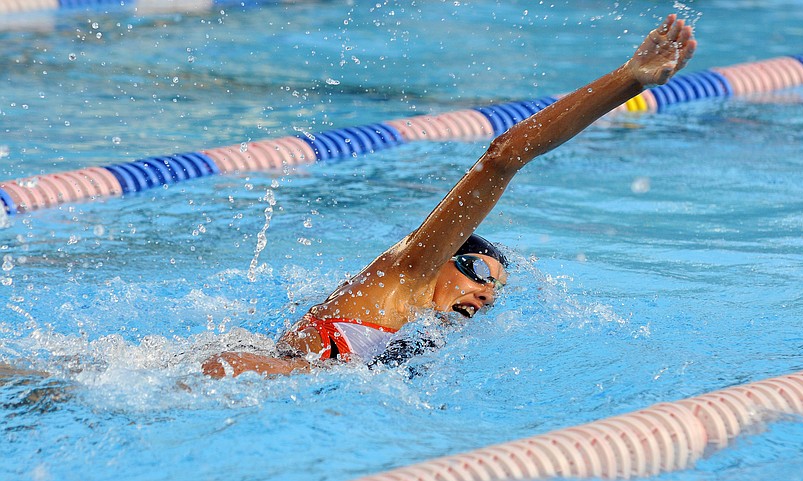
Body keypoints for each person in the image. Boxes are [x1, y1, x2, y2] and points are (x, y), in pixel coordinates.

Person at [202, 14, 697, 378]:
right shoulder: (407, 275)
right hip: (229, 377)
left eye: (495, 292)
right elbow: (504, 155)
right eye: (479, 273)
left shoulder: (415, 332)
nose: (484, 294)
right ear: (443, 255)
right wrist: (629, 80)